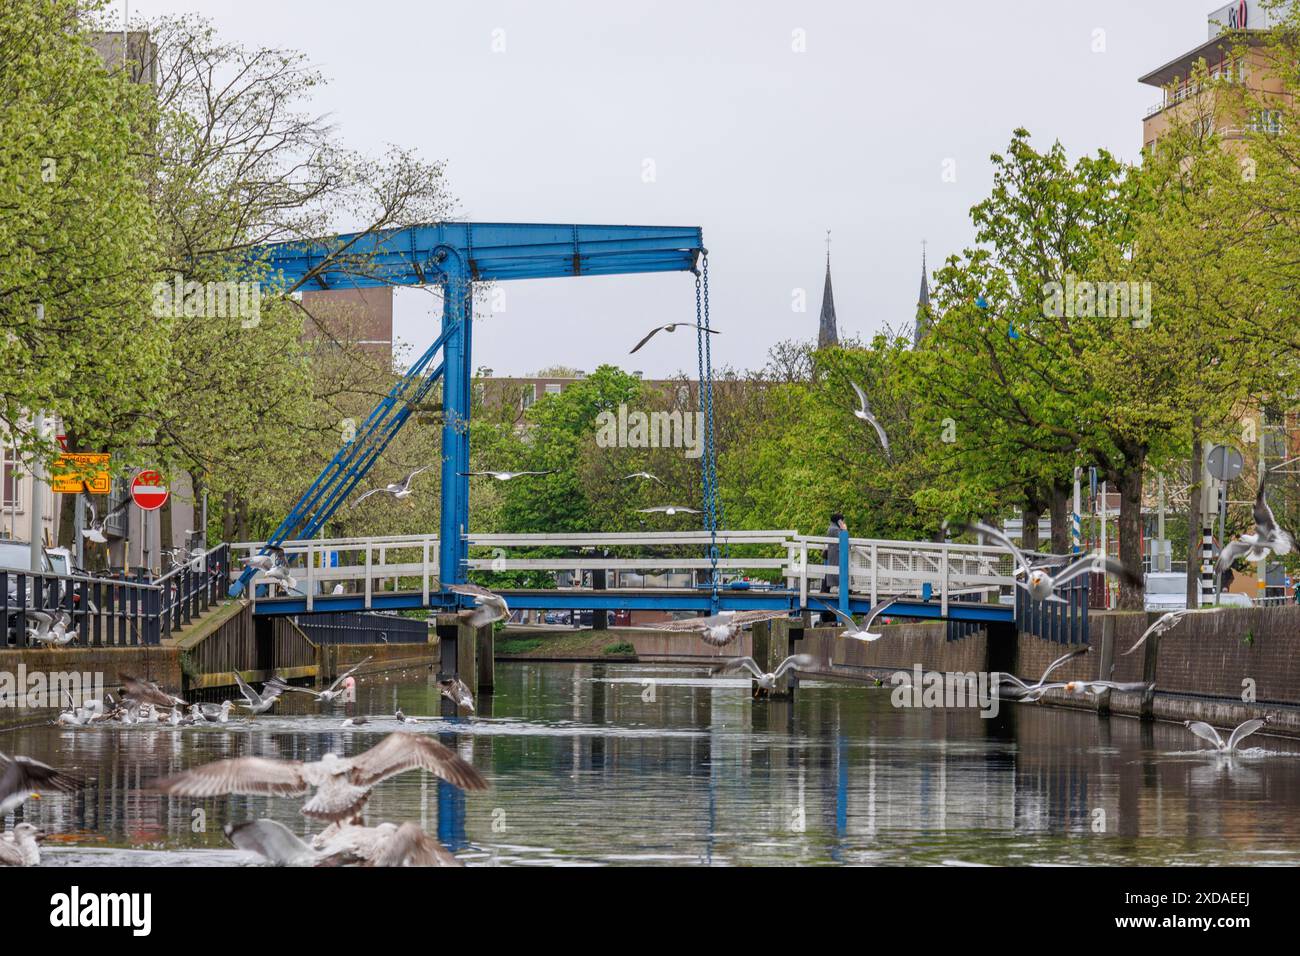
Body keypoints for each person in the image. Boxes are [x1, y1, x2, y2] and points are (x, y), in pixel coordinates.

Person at [821, 512, 847, 622]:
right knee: (835, 575)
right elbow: (844, 537)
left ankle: (824, 592)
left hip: (833, 556)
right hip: (835, 556)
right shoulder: (834, 530)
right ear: (839, 521)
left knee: (829, 576)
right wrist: (844, 529)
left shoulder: (831, 528)